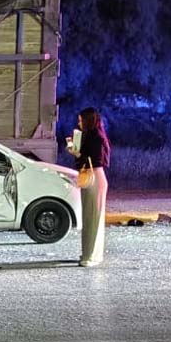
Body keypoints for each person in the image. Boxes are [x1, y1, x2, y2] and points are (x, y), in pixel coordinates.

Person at [67, 107, 110, 267]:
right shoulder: (87, 135)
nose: (79, 123)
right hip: (89, 176)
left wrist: (77, 153)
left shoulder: (97, 137)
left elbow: (98, 160)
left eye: (81, 120)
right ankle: (89, 253)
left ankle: (92, 256)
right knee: (89, 218)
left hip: (95, 177)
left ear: (88, 120)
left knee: (94, 218)